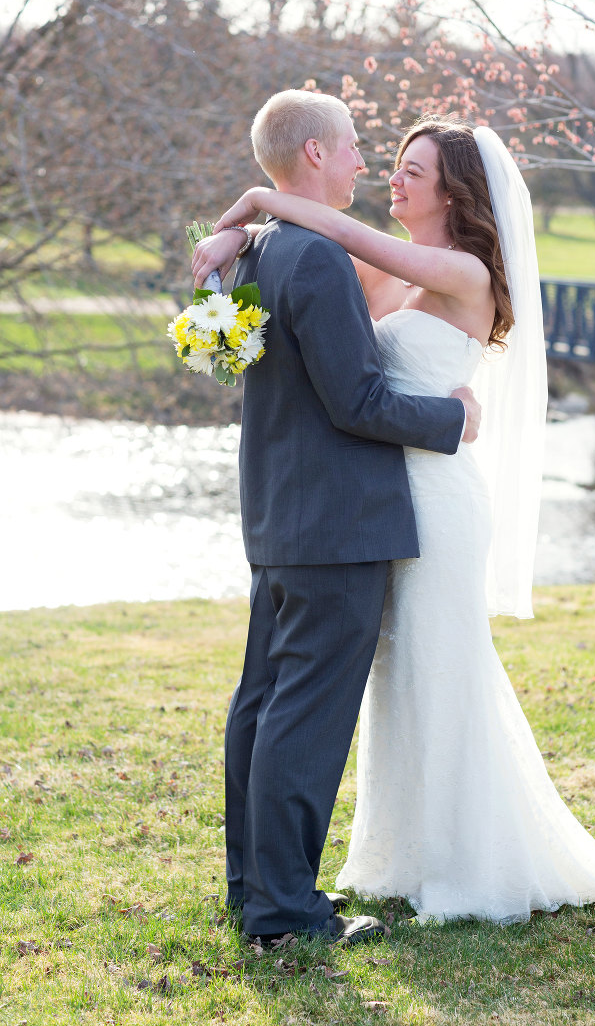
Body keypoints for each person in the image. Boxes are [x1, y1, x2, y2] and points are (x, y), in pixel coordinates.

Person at [194, 110, 595, 924]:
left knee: (440, 672)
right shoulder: (384, 274)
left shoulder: (463, 272)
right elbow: (316, 287)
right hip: (370, 500)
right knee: (387, 685)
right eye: (393, 163)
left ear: (455, 189)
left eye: (415, 169)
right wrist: (241, 244)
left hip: (434, 501)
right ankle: (399, 855)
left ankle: (471, 859)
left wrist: (253, 203)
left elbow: (334, 234)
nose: (395, 176)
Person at [192, 90, 479, 946]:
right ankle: (285, 913)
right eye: (354, 147)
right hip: (340, 522)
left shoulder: (262, 254)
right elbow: (356, 401)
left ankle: (255, 890)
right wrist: (451, 421)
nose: (364, 162)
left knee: (264, 704)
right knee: (303, 719)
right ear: (314, 154)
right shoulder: (314, 257)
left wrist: (239, 224)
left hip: (282, 516)